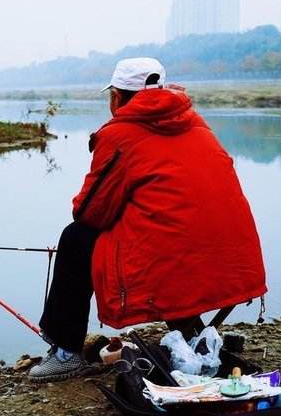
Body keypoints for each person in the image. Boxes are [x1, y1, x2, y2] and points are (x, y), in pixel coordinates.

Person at [28, 57, 267, 383]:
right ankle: (193, 333)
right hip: (236, 265)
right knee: (169, 231)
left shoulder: (120, 134)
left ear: (117, 96)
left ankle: (66, 353)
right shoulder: (196, 122)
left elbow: (89, 213)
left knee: (76, 238)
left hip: (180, 259)